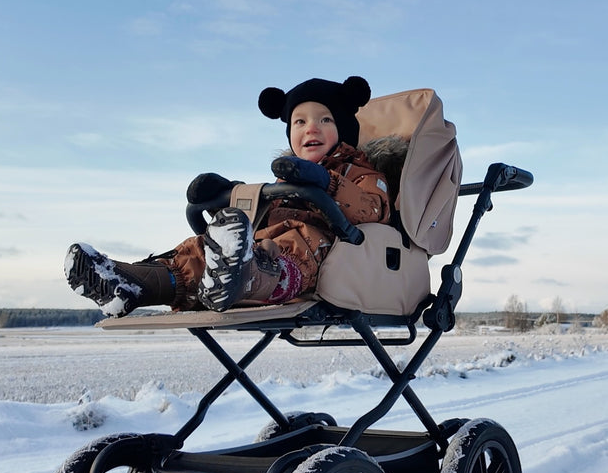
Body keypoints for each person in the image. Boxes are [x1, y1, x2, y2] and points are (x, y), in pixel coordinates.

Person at [64, 75, 390, 317]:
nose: (311, 129)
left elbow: (373, 209)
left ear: (344, 128)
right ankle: (135, 283)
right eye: (299, 121)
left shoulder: (361, 173)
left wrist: (328, 183)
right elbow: (267, 209)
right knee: (206, 246)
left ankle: (241, 277)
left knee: (292, 244)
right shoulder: (286, 180)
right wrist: (230, 191)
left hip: (329, 256)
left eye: (325, 120)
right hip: (260, 248)